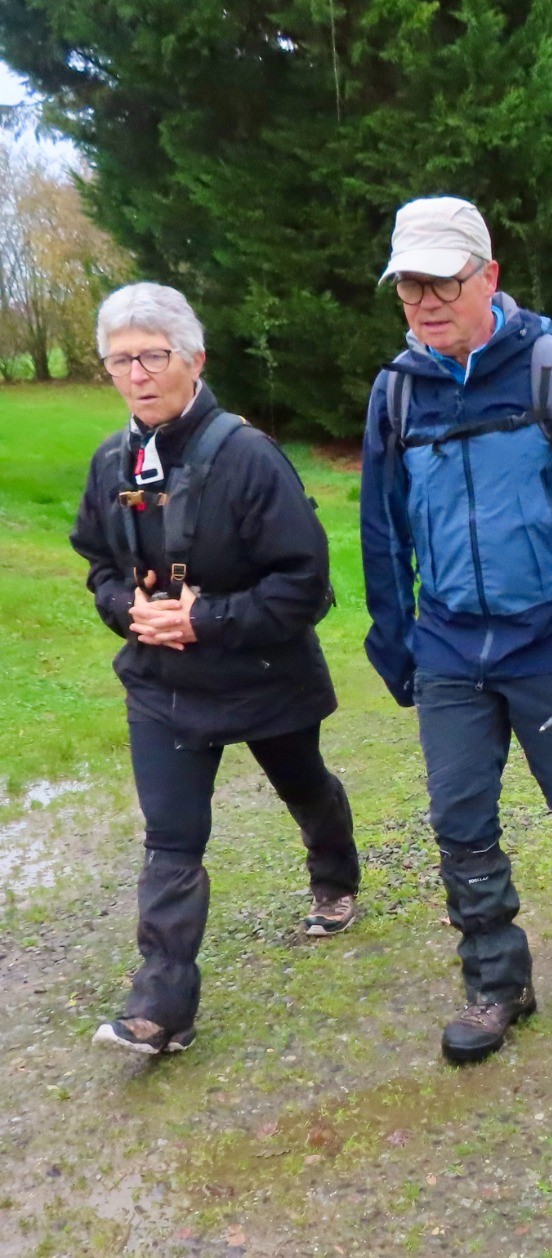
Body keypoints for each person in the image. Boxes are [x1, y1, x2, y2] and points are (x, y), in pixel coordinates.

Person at [360, 196, 552, 1065]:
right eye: (409, 288)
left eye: (442, 284)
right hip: (449, 641)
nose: (425, 305)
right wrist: (394, 640)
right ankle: (498, 985)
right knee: (459, 817)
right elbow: (383, 531)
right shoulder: (397, 393)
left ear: (489, 277)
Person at [71, 283, 358, 1056]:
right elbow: (99, 564)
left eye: (153, 356)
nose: (137, 374)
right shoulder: (113, 462)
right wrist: (127, 608)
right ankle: (161, 1007)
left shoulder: (249, 457)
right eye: (120, 360)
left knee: (303, 785)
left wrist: (206, 618)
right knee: (172, 836)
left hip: (262, 673)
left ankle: (335, 877)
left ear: (194, 360)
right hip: (162, 683)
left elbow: (306, 584)